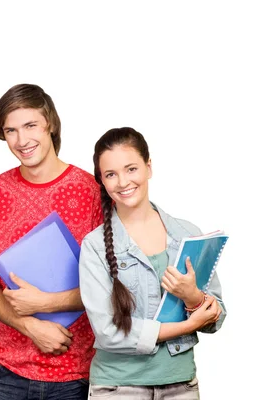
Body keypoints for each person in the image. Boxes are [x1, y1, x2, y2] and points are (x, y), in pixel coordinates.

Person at [0, 83, 102, 400]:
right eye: (11, 130)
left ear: (50, 124)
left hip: (77, 374)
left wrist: (47, 303)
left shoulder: (93, 191)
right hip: (5, 374)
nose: (22, 140)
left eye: (30, 126)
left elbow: (113, 286)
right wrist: (31, 326)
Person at [78, 127, 226, 399]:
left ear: (148, 167)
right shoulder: (94, 246)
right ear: (102, 180)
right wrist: (187, 326)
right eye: (111, 174)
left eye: (131, 169)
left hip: (181, 384)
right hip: (117, 388)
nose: (123, 182)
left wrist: (192, 297)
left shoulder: (187, 234)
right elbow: (108, 332)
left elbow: (216, 319)